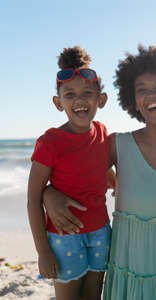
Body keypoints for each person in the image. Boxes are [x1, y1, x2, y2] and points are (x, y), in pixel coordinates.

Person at [42, 45, 156, 300]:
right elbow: (74, 174)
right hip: (129, 275)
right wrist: (48, 193)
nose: (151, 95)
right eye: (142, 89)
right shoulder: (116, 145)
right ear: (133, 100)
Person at [27, 46, 111, 300]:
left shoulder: (103, 132)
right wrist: (43, 251)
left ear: (101, 99)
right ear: (58, 102)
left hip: (101, 233)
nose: (79, 100)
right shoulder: (50, 142)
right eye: (70, 94)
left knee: (93, 295)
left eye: (88, 93)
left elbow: (101, 170)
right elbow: (32, 198)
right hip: (65, 238)